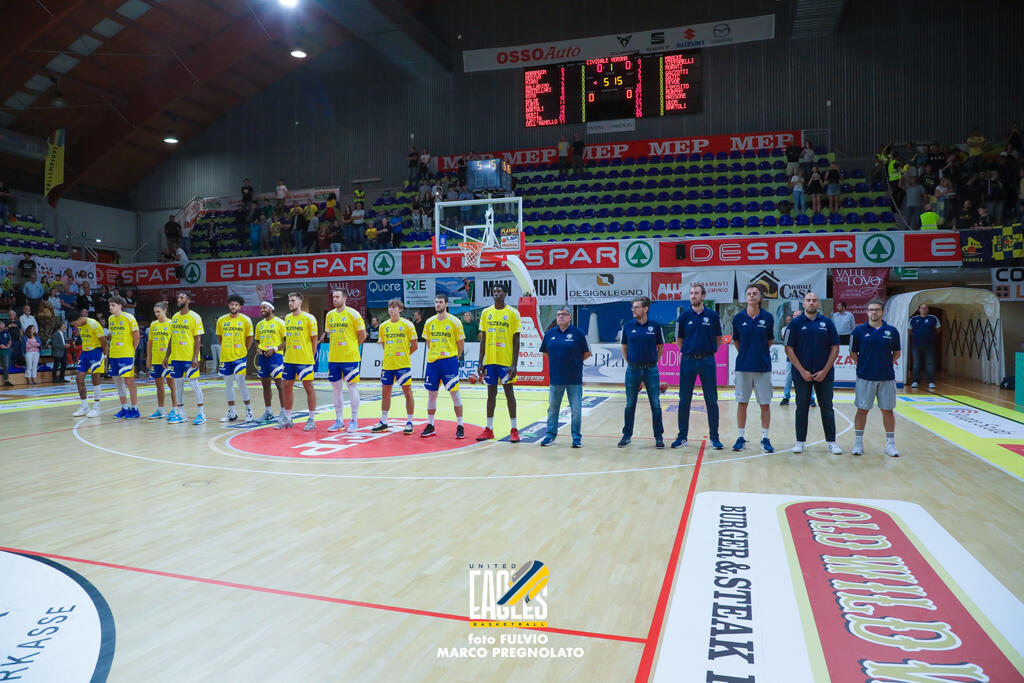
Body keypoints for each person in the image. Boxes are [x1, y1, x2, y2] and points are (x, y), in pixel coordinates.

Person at [785, 292, 841, 454]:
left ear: (818, 304)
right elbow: (788, 349)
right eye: (808, 300)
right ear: (803, 304)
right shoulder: (794, 324)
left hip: (824, 375)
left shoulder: (827, 323)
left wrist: (825, 370)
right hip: (802, 375)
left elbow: (835, 348)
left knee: (827, 408)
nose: (811, 303)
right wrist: (802, 371)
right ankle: (800, 442)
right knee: (801, 408)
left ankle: (832, 442)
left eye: (814, 300)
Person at [673, 284, 723, 450]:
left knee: (711, 400)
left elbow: (719, 338)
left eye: (696, 293)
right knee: (684, 400)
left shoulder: (713, 315)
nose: (693, 296)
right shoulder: (683, 317)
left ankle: (714, 437)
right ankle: (682, 437)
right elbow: (679, 340)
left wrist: (709, 351)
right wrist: (689, 351)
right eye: (691, 293)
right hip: (688, 361)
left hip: (707, 361)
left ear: (703, 296)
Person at [850, 299, 901, 458]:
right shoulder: (858, 331)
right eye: (871, 309)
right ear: (867, 312)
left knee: (888, 410)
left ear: (882, 312)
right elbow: (853, 353)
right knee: (862, 410)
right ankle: (858, 442)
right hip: (865, 377)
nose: (874, 312)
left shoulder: (892, 331)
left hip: (886, 378)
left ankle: (890, 443)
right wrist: (865, 365)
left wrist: (885, 363)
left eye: (877, 309)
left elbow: (897, 353)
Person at [731, 285, 775, 453]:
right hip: (743, 366)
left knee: (765, 404)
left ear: (760, 297)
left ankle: (765, 438)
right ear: (745, 297)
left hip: (763, 367)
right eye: (749, 293)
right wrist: (746, 353)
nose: (751, 296)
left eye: (755, 293)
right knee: (742, 403)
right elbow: (736, 341)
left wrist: (759, 353)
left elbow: (770, 340)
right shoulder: (738, 318)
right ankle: (740, 437)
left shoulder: (768, 317)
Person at [540, 307, 591, 447]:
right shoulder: (549, 334)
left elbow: (587, 353)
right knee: (553, 409)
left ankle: (576, 438)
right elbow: (545, 352)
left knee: (576, 410)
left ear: (570, 317)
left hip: (574, 379)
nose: (560, 317)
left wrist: (574, 362)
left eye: (564, 314)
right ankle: (550, 436)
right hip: (556, 379)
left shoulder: (579, 334)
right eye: (558, 315)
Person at [475, 283, 520, 442]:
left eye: (499, 291)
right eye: (494, 291)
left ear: (505, 294)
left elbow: (516, 340)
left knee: (509, 394)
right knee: (491, 395)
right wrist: (480, 362)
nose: (496, 293)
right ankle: (489, 429)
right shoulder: (486, 313)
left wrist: (514, 364)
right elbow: (483, 339)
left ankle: (514, 429)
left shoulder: (513, 313)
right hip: (490, 361)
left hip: (506, 361)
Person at [619, 296, 664, 448]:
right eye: (632, 307)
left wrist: (653, 362)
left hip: (651, 370)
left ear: (646, 309)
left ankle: (658, 437)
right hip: (633, 370)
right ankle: (627, 435)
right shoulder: (628, 326)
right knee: (630, 404)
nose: (634, 310)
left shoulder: (655, 326)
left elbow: (661, 347)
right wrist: (630, 362)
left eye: (637, 307)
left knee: (655, 405)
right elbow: (624, 347)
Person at [421, 293, 466, 438]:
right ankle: (430, 425)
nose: (437, 304)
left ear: (446, 304)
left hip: (449, 362)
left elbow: (460, 344)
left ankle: (460, 425)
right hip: (433, 362)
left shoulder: (455, 322)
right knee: (431, 394)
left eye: (440, 302)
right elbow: (428, 342)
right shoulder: (429, 322)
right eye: (436, 302)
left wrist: (454, 356)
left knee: (455, 394)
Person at [370, 299, 417, 435]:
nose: (391, 309)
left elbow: (414, 346)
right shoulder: (383, 326)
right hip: (388, 365)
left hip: (403, 365)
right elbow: (384, 346)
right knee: (385, 394)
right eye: (390, 307)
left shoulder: (408, 325)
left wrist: (403, 356)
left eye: (394, 307)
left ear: (400, 309)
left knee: (408, 393)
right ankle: (383, 422)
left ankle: (410, 422)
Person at [321, 289, 365, 432]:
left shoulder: (353, 314)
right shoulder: (329, 315)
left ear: (344, 298)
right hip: (334, 358)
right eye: (333, 296)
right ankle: (339, 420)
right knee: (336, 389)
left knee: (352, 387)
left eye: (337, 296)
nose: (334, 299)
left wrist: (352, 347)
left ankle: (354, 420)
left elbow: (362, 334)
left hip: (350, 357)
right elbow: (330, 334)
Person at [277, 292, 319, 431]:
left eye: (293, 300)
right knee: (287, 387)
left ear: (300, 302)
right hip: (289, 359)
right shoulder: (287, 318)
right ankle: (288, 419)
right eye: (289, 300)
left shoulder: (309, 318)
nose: (290, 303)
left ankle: (311, 419)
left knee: (308, 387)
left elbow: (314, 339)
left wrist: (311, 357)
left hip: (304, 359)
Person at [162, 291, 206, 425]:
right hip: (176, 358)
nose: (179, 300)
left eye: (182, 298)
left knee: (194, 384)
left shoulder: (195, 317)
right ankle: (181, 414)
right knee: (178, 384)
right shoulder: (175, 317)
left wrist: (195, 357)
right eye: (178, 298)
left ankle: (201, 413)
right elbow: (171, 338)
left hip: (189, 358)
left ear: (188, 301)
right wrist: (167, 356)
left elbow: (198, 339)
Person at [216, 294, 255, 423]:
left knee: (240, 382)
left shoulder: (246, 320)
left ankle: (249, 411)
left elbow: (250, 337)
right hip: (225, 357)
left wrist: (244, 350)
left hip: (239, 357)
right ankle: (232, 412)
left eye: (236, 305)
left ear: (240, 307)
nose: (234, 306)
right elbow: (220, 337)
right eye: (232, 304)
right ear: (229, 305)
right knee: (228, 385)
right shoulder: (221, 320)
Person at [107, 295, 141, 419]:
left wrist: (132, 350)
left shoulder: (129, 317)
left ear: (120, 306)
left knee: (129, 380)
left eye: (113, 305)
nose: (111, 307)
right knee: (117, 381)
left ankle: (135, 409)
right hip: (113, 354)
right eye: (110, 305)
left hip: (126, 354)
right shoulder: (110, 319)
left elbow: (137, 336)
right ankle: (124, 408)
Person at [70, 311, 108, 418]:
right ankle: (84, 406)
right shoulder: (79, 325)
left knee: (95, 378)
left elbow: (104, 341)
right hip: (85, 353)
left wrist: (105, 356)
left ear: (80, 318)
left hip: (96, 352)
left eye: (76, 324)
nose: (76, 326)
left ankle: (96, 407)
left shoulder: (93, 324)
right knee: (79, 379)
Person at [254, 302, 286, 422]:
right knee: (265, 385)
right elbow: (257, 341)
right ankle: (268, 411)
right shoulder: (259, 325)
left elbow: (287, 341)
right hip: (263, 357)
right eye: (261, 308)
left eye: (264, 307)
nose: (262, 309)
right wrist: (258, 348)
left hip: (276, 356)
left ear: (271, 309)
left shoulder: (280, 322)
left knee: (280, 385)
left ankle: (284, 412)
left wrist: (275, 349)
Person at [146, 301, 177, 419]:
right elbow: (150, 342)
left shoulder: (171, 324)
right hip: (156, 359)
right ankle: (161, 410)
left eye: (158, 312)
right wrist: (149, 358)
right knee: (159, 386)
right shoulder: (153, 324)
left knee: (171, 385)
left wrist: (170, 358)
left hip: (168, 360)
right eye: (155, 312)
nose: (156, 314)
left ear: (165, 311)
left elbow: (174, 343)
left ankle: (175, 409)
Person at [908, 303, 940, 389]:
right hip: (916, 345)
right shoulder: (913, 319)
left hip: (929, 345)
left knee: (930, 363)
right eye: (922, 308)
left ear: (928, 310)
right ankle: (915, 381)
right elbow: (909, 331)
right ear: (919, 309)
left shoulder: (933, 318)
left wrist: (929, 336)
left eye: (925, 308)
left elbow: (938, 330)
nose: (924, 309)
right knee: (916, 363)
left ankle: (931, 382)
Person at [0, 320, 12, 386]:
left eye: (3, 327)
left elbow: (9, 341)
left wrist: (8, 346)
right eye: (1, 327)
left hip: (5, 350)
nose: (2, 329)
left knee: (6, 365)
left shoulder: (6, 332)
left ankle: (6, 381)